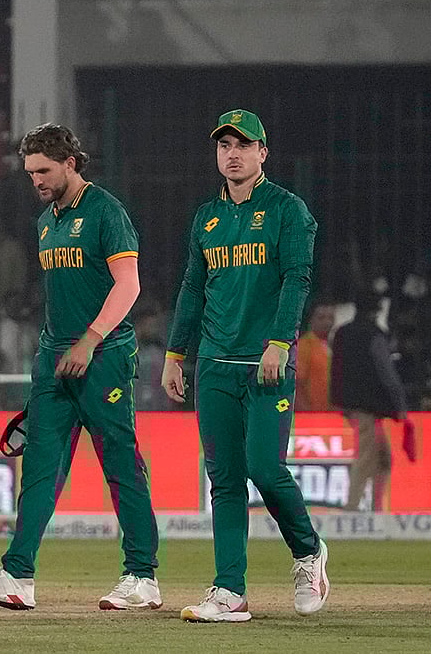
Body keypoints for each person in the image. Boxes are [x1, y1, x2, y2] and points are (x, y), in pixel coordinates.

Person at [0, 123, 162, 612]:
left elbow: (128, 286)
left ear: (70, 162)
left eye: (44, 171)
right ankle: (17, 574)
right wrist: (53, 352)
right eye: (30, 173)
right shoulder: (46, 221)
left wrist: (90, 341)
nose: (37, 181)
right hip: (54, 358)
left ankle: (142, 577)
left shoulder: (106, 212)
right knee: (40, 468)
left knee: (120, 463)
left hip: (104, 355)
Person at [161, 109, 330, 622]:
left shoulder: (287, 210)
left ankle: (308, 553)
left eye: (243, 145)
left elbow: (297, 279)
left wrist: (281, 341)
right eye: (223, 145)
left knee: (263, 466)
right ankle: (229, 591)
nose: (232, 153)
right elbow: (192, 288)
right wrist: (175, 353)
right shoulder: (206, 218)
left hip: (266, 363)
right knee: (226, 479)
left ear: (263, 153)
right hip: (214, 363)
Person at [330, 290, 412, 510]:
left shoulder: (341, 333)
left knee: (383, 458)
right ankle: (352, 508)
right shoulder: (374, 335)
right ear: (376, 311)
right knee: (366, 455)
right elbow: (387, 374)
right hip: (366, 408)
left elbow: (336, 369)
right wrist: (400, 406)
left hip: (349, 404)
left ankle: (377, 509)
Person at [295, 301, 336, 411]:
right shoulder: (304, 346)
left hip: (332, 413)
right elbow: (297, 382)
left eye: (331, 318)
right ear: (311, 319)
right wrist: (305, 411)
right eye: (321, 318)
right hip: (310, 413)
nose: (327, 322)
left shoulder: (335, 346)